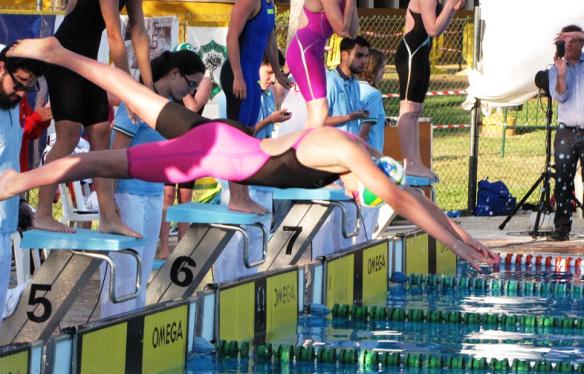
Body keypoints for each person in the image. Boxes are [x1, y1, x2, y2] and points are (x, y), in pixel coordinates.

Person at [1, 37, 499, 270]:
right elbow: (403, 200)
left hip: (219, 140)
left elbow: (414, 200)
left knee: (136, 94)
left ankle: (58, 53)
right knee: (95, 161)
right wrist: (457, 249)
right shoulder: (341, 149)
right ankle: (12, 184)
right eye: (366, 187)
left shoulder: (346, 152)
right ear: (366, 173)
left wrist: (460, 234)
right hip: (210, 157)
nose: (360, 191)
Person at [103, 49, 208, 316]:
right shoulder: (137, 103)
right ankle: (110, 331)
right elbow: (115, 155)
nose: (190, 92)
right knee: (125, 272)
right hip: (128, 197)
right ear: (174, 73)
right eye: (190, 84)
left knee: (141, 273)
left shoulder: (167, 110)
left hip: (152, 195)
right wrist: (110, 204)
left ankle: (133, 326)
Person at [34, 0, 152, 236]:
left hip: (86, 61)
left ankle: (107, 217)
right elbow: (114, 36)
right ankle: (43, 214)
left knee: (101, 134)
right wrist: (128, 90)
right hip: (63, 57)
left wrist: (147, 85)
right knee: (68, 135)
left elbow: (138, 30)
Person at [220, 0, 288, 214]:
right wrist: (238, 76)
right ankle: (236, 197)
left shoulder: (269, 5)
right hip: (238, 73)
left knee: (248, 136)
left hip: (250, 77)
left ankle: (244, 195)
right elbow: (231, 37)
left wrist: (277, 73)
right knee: (236, 136)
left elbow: (269, 41)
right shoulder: (249, 1)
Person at [0, 45, 45, 325]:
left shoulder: (11, 103)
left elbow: (9, 161)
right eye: (18, 85)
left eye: (27, 89)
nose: (21, 94)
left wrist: (19, 204)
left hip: (4, 225)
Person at [395, 0, 465, 180]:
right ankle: (409, 163)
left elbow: (439, 28)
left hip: (421, 55)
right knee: (408, 109)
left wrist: (452, 10)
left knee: (416, 111)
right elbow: (432, 29)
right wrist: (449, 5)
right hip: (411, 54)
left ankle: (416, 162)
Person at [159, 44, 214, 260]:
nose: (190, 87)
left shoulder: (205, 81)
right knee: (167, 194)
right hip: (170, 140)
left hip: (190, 143)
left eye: (193, 83)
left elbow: (192, 107)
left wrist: (184, 88)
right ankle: (164, 247)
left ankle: (183, 247)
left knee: (185, 196)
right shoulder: (170, 83)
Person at [286, 0, 358, 128]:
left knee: (318, 112)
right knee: (319, 108)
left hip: (316, 53)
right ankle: (301, 146)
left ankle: (304, 145)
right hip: (304, 51)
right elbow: (341, 30)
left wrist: (351, 4)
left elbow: (352, 33)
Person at [548, 25, 584, 241]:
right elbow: (560, 97)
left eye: (573, 41)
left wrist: (578, 34)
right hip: (566, 132)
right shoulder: (555, 69)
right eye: (565, 42)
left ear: (581, 43)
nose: (568, 45)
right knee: (562, 181)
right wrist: (561, 74)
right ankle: (562, 229)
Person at [325, 36, 370, 135]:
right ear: (344, 55)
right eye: (359, 55)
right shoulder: (330, 81)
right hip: (331, 146)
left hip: (350, 145)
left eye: (366, 56)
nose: (364, 61)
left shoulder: (355, 83)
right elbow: (320, 120)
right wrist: (349, 117)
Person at [255, 52, 291, 139]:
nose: (273, 80)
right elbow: (241, 133)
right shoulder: (237, 96)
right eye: (269, 72)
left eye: (277, 74)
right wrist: (270, 120)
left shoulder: (268, 93)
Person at [358, 48, 387, 153]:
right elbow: (364, 133)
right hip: (369, 156)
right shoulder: (373, 95)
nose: (385, 70)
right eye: (382, 67)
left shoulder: (351, 87)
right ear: (373, 68)